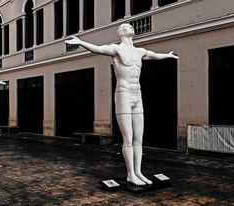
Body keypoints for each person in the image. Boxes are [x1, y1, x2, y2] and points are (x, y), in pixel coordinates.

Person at [65, 23, 179, 186]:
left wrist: (168, 55)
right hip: (123, 94)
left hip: (137, 95)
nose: (131, 27)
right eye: (127, 27)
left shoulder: (139, 52)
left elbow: (154, 55)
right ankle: (130, 174)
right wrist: (81, 42)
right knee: (128, 138)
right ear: (120, 33)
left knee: (139, 138)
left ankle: (138, 172)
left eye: (131, 26)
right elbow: (98, 49)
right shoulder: (116, 49)